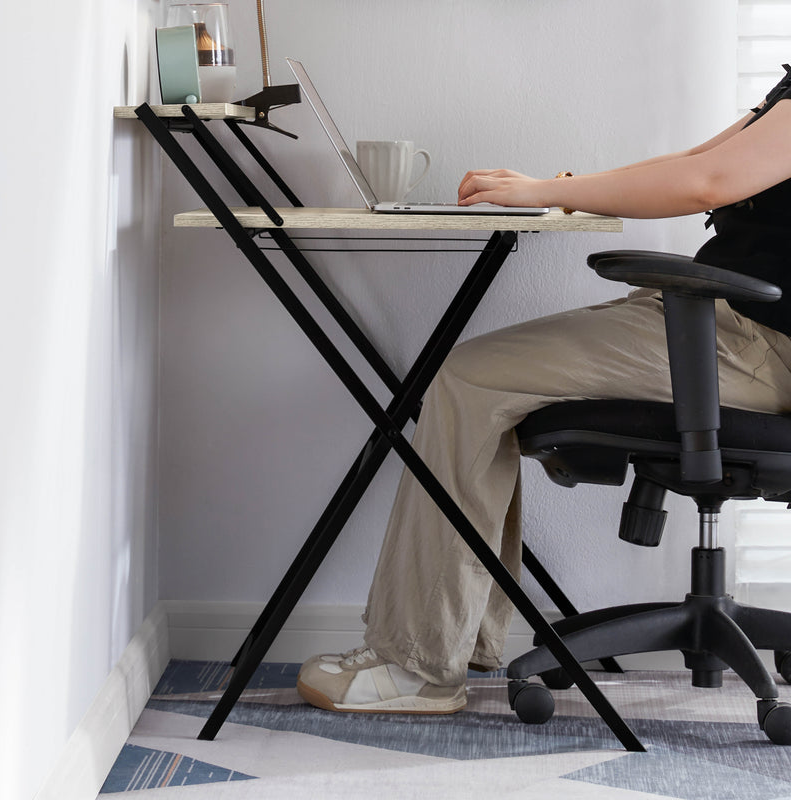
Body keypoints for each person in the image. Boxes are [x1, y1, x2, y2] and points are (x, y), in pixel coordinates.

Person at [296, 66, 791, 715]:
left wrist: (543, 190)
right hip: (722, 322)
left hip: (753, 341)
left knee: (471, 378)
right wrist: (564, 190)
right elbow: (700, 159)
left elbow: (709, 182)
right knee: (477, 380)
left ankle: (417, 665)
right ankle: (449, 646)